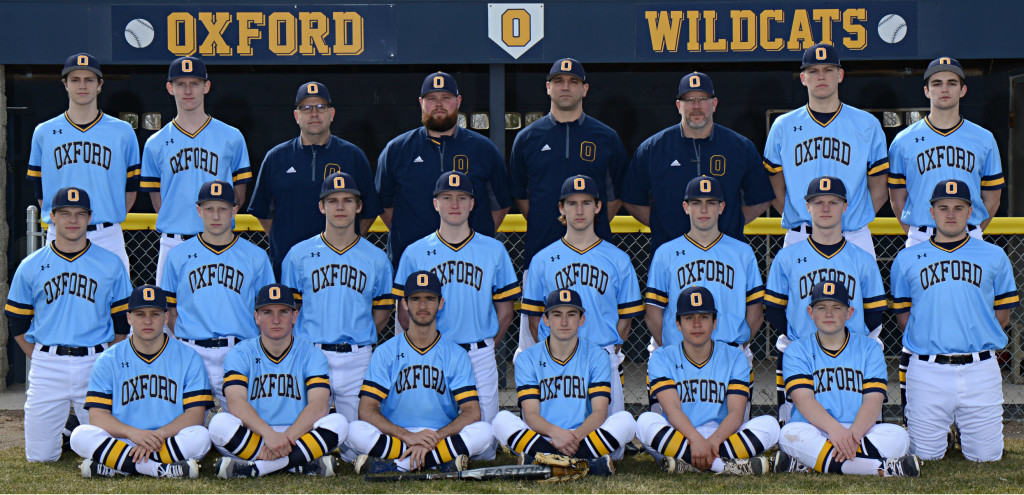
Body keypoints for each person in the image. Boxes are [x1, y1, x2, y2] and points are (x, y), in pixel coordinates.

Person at [891, 179, 1019, 462]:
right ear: (932, 211)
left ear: (970, 211)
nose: (951, 214)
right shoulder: (907, 258)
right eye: (943, 207)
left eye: (959, 208)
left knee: (987, 456)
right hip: (927, 370)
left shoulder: (994, 255)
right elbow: (904, 314)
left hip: (980, 369)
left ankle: (963, 431)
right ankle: (943, 433)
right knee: (924, 455)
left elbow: (1003, 314)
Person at [4, 187, 132, 462]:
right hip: (47, 366)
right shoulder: (31, 265)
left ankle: (72, 430)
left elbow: (122, 320)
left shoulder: (111, 263)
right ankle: (67, 429)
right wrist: (39, 355)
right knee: (39, 457)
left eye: (79, 214)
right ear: (51, 217)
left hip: (96, 361)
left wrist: (107, 356)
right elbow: (16, 321)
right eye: (65, 214)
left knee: (108, 455)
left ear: (89, 218)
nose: (72, 220)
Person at [393, 171, 519, 433]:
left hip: (478, 354)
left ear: (472, 204)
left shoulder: (494, 250)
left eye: (462, 198)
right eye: (446, 197)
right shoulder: (414, 252)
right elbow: (404, 315)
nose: (454, 204)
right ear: (435, 203)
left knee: (484, 438)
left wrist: (486, 346)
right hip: (432, 355)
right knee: (432, 427)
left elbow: (506, 310)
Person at [280, 172, 394, 449]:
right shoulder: (299, 254)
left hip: (358, 357)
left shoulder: (377, 258)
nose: (340, 207)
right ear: (322, 206)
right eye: (332, 201)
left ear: (359, 207)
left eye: (347, 200)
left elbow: (382, 310)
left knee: (357, 441)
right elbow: (287, 311)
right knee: (301, 432)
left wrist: (360, 335)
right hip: (311, 353)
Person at [764, 177, 887, 422]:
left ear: (845, 207)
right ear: (807, 207)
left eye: (833, 202)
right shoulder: (787, 257)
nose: (826, 208)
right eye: (818, 202)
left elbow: (874, 312)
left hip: (850, 355)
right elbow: (774, 309)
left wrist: (848, 342)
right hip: (803, 353)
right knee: (795, 429)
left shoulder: (862, 259)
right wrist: (801, 340)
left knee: (856, 425)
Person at [519, 175, 643, 414]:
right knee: (557, 428)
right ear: (561, 208)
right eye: (572, 203)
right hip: (556, 357)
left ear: (598, 207)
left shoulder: (618, 259)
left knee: (611, 433)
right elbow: (534, 319)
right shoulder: (542, 259)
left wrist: (608, 350)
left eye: (586, 202)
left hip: (602, 353)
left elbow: (626, 319)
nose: (579, 210)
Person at [347, 271, 492, 473]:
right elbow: (366, 409)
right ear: (404, 304)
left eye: (429, 299)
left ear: (440, 303)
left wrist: (436, 437)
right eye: (415, 299)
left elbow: (472, 411)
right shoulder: (385, 352)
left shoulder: (456, 354)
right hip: (397, 435)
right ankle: (438, 461)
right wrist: (407, 436)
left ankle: (398, 465)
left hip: (439, 436)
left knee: (485, 432)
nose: (422, 306)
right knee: (353, 430)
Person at [775, 281, 920, 477]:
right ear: (810, 312)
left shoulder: (870, 349)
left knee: (899, 436)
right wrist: (836, 431)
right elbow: (804, 400)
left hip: (860, 432)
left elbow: (873, 400)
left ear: (849, 313)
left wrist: (852, 437)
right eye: (821, 308)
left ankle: (810, 464)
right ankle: (880, 468)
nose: (829, 314)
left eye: (837, 308)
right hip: (816, 430)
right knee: (789, 434)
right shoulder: (797, 350)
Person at [71, 285, 212, 478]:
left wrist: (159, 435)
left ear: (166, 317)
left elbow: (195, 415)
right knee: (80, 436)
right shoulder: (108, 359)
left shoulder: (189, 357)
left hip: (168, 440)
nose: (147, 321)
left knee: (200, 437)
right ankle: (159, 469)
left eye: (155, 314)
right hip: (124, 440)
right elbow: (97, 416)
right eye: (139, 314)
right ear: (129, 318)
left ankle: (119, 467)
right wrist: (133, 433)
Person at [621, 71, 773, 251]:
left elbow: (761, 198)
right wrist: (661, 225)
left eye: (702, 98)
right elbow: (631, 198)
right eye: (689, 99)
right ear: (678, 105)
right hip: (670, 250)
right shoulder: (653, 148)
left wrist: (732, 223)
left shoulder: (740, 147)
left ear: (714, 104)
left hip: (725, 252)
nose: (696, 106)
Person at [375, 71, 511, 269]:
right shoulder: (397, 149)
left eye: (446, 98)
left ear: (458, 101)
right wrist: (411, 235)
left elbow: (501, 204)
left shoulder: (484, 149)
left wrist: (474, 236)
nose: (439, 104)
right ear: (421, 102)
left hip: (471, 262)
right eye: (431, 99)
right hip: (413, 262)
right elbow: (384, 205)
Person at [763, 43, 889, 257]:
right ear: (803, 78)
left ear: (840, 75)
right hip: (801, 235)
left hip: (853, 235)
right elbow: (775, 188)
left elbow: (879, 190)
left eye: (828, 70)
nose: (821, 76)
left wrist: (852, 221)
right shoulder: (783, 126)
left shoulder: (867, 124)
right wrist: (802, 217)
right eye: (813, 71)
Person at [211, 283, 349, 478]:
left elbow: (319, 406)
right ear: (256, 317)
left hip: (298, 435)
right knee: (218, 423)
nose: (276, 319)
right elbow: (236, 403)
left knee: (339, 423)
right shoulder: (240, 353)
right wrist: (269, 435)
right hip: (254, 434)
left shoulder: (312, 353)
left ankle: (257, 468)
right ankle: (298, 464)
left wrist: (286, 439)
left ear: (294, 316)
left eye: (284, 312)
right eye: (267, 312)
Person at [637, 287, 778, 475]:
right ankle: (724, 466)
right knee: (644, 423)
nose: (697, 324)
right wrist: (695, 440)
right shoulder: (662, 357)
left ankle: (687, 463)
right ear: (678, 324)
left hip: (722, 437)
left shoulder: (735, 356)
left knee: (771, 426)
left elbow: (736, 413)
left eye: (703, 317)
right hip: (680, 435)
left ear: (715, 321)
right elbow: (672, 410)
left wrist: (710, 443)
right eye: (689, 318)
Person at [249, 81, 381, 279]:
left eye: (321, 107)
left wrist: (348, 241)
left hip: (340, 266)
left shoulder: (353, 156)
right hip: (289, 265)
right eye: (306, 108)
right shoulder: (276, 157)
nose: (314, 113)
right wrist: (282, 240)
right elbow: (261, 210)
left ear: (332, 114)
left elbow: (369, 210)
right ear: (296, 116)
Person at [161, 180, 275, 408]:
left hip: (239, 350)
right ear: (198, 211)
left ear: (234, 210)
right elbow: (170, 311)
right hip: (191, 350)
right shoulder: (177, 255)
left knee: (243, 430)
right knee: (188, 433)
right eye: (209, 209)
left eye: (222, 209)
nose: (215, 216)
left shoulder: (256, 256)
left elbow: (267, 311)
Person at [493, 289, 635, 471]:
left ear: (582, 319)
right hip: (544, 436)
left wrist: (573, 437)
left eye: (571, 314)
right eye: (557, 315)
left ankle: (544, 462)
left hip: (584, 436)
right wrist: (556, 434)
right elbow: (531, 414)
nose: (564, 322)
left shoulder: (597, 356)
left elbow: (600, 412)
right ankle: (586, 464)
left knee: (626, 421)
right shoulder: (527, 358)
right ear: (546, 319)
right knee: (500, 420)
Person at [141, 56, 253, 285]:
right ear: (170, 88)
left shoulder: (232, 137)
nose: (188, 90)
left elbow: (238, 197)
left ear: (207, 86)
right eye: (181, 84)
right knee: (167, 316)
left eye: (195, 83)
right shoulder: (155, 143)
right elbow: (157, 201)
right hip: (174, 243)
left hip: (220, 242)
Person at [509, 57, 627, 264]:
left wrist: (589, 223)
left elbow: (618, 193)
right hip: (541, 250)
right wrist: (545, 221)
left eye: (573, 81)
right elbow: (520, 195)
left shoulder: (606, 137)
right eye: (558, 81)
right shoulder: (527, 138)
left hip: (595, 252)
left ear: (585, 89)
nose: (565, 87)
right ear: (548, 87)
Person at [28, 52, 138, 272]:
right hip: (60, 235)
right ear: (65, 84)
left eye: (89, 80)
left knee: (116, 305)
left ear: (100, 85)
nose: (82, 86)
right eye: (75, 79)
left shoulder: (123, 132)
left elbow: (131, 189)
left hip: (107, 235)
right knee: (59, 302)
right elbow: (39, 190)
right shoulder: (44, 132)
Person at [888, 57, 1004, 247]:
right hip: (922, 236)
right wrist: (914, 234)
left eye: (951, 83)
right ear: (926, 91)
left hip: (969, 235)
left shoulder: (984, 138)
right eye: (937, 83)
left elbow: (993, 198)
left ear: (963, 90)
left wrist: (974, 231)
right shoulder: (903, 140)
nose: (944, 89)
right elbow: (896, 197)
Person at [644, 176, 764, 360]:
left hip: (730, 353)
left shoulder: (743, 253)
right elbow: (653, 312)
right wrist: (672, 349)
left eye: (711, 202)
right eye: (696, 202)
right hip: (678, 354)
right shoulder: (666, 253)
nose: (704, 209)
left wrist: (738, 346)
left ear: (721, 207)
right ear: (686, 207)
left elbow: (755, 311)